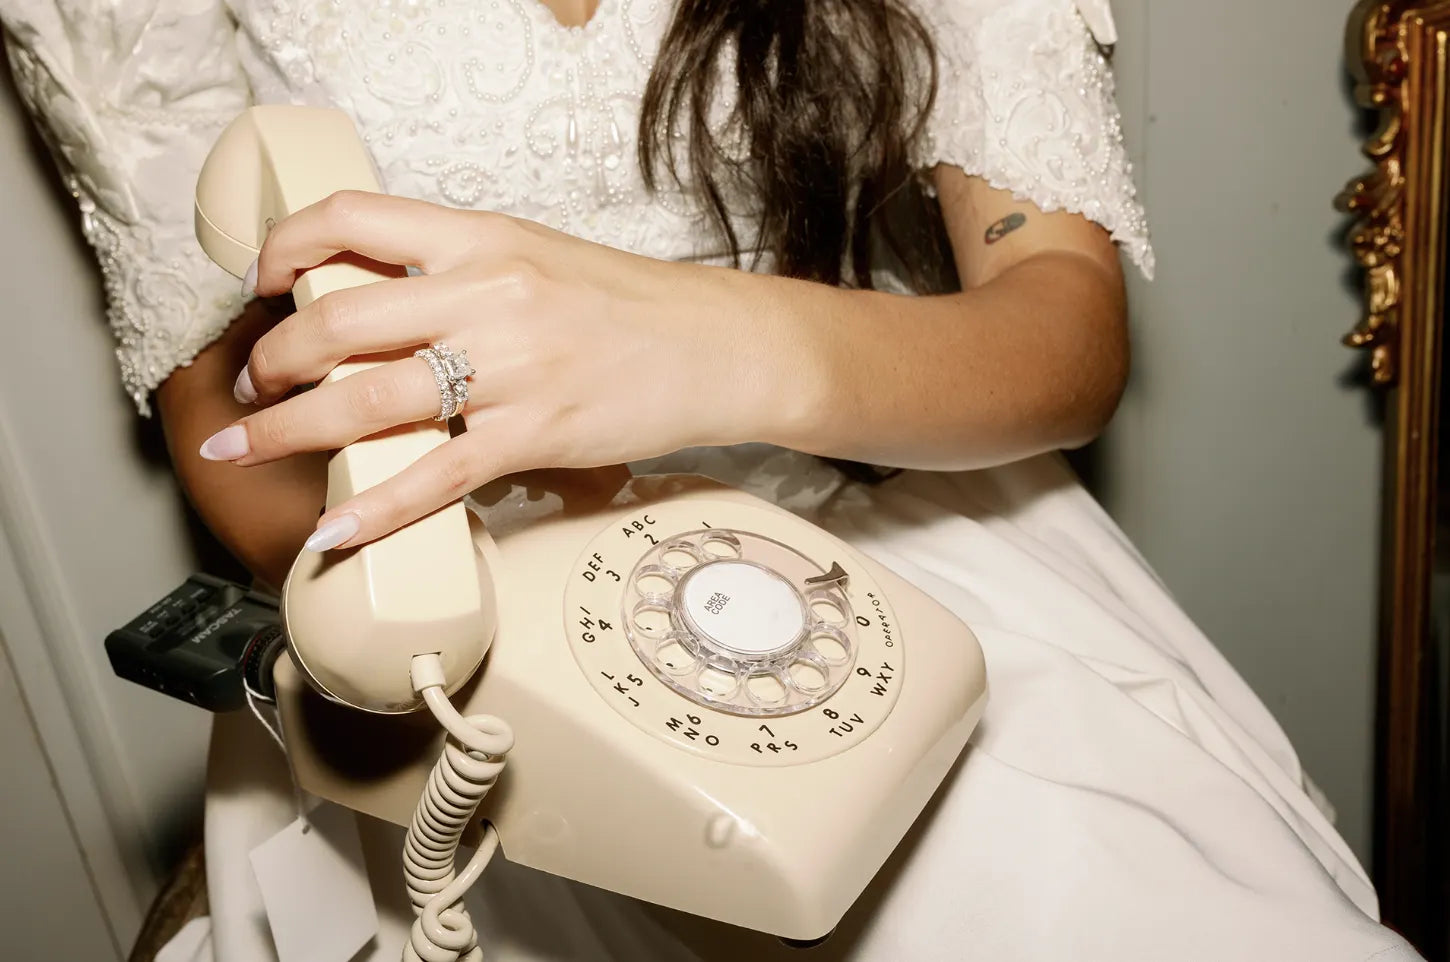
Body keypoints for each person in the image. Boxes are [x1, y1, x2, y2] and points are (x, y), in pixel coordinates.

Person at [0, 0, 1420, 959]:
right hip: (460, 596)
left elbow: (1065, 326)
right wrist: (423, 606)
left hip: (868, 528)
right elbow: (221, 416)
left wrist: (705, 345)